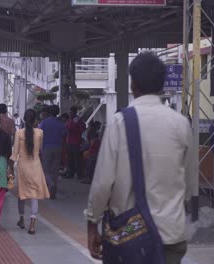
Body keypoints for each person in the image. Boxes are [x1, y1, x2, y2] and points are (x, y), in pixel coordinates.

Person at [84, 52, 194, 263]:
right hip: (170, 237)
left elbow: (102, 184)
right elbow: (189, 186)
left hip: (129, 240)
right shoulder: (181, 124)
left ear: (132, 83)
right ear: (162, 85)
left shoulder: (119, 123)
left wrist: (92, 224)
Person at [11, 109, 50, 235]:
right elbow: (40, 149)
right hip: (35, 165)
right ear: (35, 120)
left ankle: (21, 219)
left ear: (23, 119)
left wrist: (10, 167)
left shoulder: (19, 133)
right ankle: (32, 224)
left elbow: (15, 153)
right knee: (34, 195)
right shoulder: (40, 132)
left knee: (22, 193)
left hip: (22, 166)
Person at [39, 105, 66, 199]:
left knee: (46, 169)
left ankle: (50, 184)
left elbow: (39, 135)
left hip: (46, 148)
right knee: (55, 170)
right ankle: (52, 193)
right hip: (58, 148)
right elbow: (64, 135)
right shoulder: (61, 123)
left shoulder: (44, 123)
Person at [64, 106, 85, 179]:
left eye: (72, 112)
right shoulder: (70, 119)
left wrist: (73, 129)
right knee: (70, 159)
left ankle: (80, 174)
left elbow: (82, 129)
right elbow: (66, 127)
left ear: (75, 112)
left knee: (77, 159)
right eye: (70, 112)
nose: (70, 113)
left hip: (76, 141)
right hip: (69, 141)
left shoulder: (78, 119)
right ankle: (70, 173)